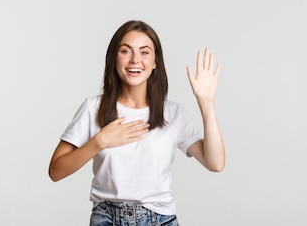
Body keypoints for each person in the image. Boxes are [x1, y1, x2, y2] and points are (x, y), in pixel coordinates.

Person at [48, 20, 225, 226]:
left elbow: (215, 163)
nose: (135, 60)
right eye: (125, 51)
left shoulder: (172, 113)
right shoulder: (93, 108)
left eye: (144, 52)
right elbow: (56, 171)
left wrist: (206, 103)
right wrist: (99, 141)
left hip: (160, 220)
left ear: (155, 61)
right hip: (107, 219)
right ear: (114, 58)